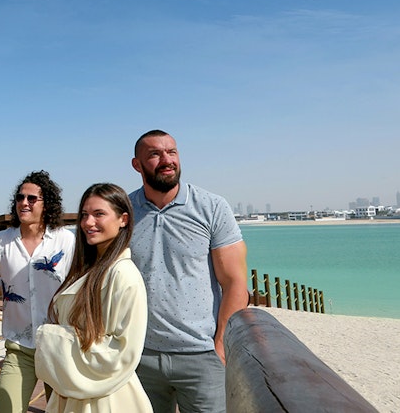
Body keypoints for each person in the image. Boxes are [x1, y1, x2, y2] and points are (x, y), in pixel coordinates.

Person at [128, 130, 248, 413]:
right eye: (155, 154)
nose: (166, 160)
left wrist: (220, 344)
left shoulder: (212, 207)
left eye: (172, 152)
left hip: (201, 356)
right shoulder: (124, 211)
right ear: (137, 165)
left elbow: (234, 282)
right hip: (138, 354)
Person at [0, 170, 74, 413]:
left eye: (32, 198)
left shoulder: (66, 241)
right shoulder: (2, 241)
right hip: (19, 348)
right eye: (20, 197)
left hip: (58, 347)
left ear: (47, 205)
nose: (24, 202)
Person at [35, 183, 152, 413]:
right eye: (85, 215)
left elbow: (121, 353)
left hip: (105, 400)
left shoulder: (123, 275)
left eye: (99, 214)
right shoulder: (90, 269)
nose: (88, 223)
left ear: (123, 219)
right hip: (77, 393)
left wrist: (50, 338)